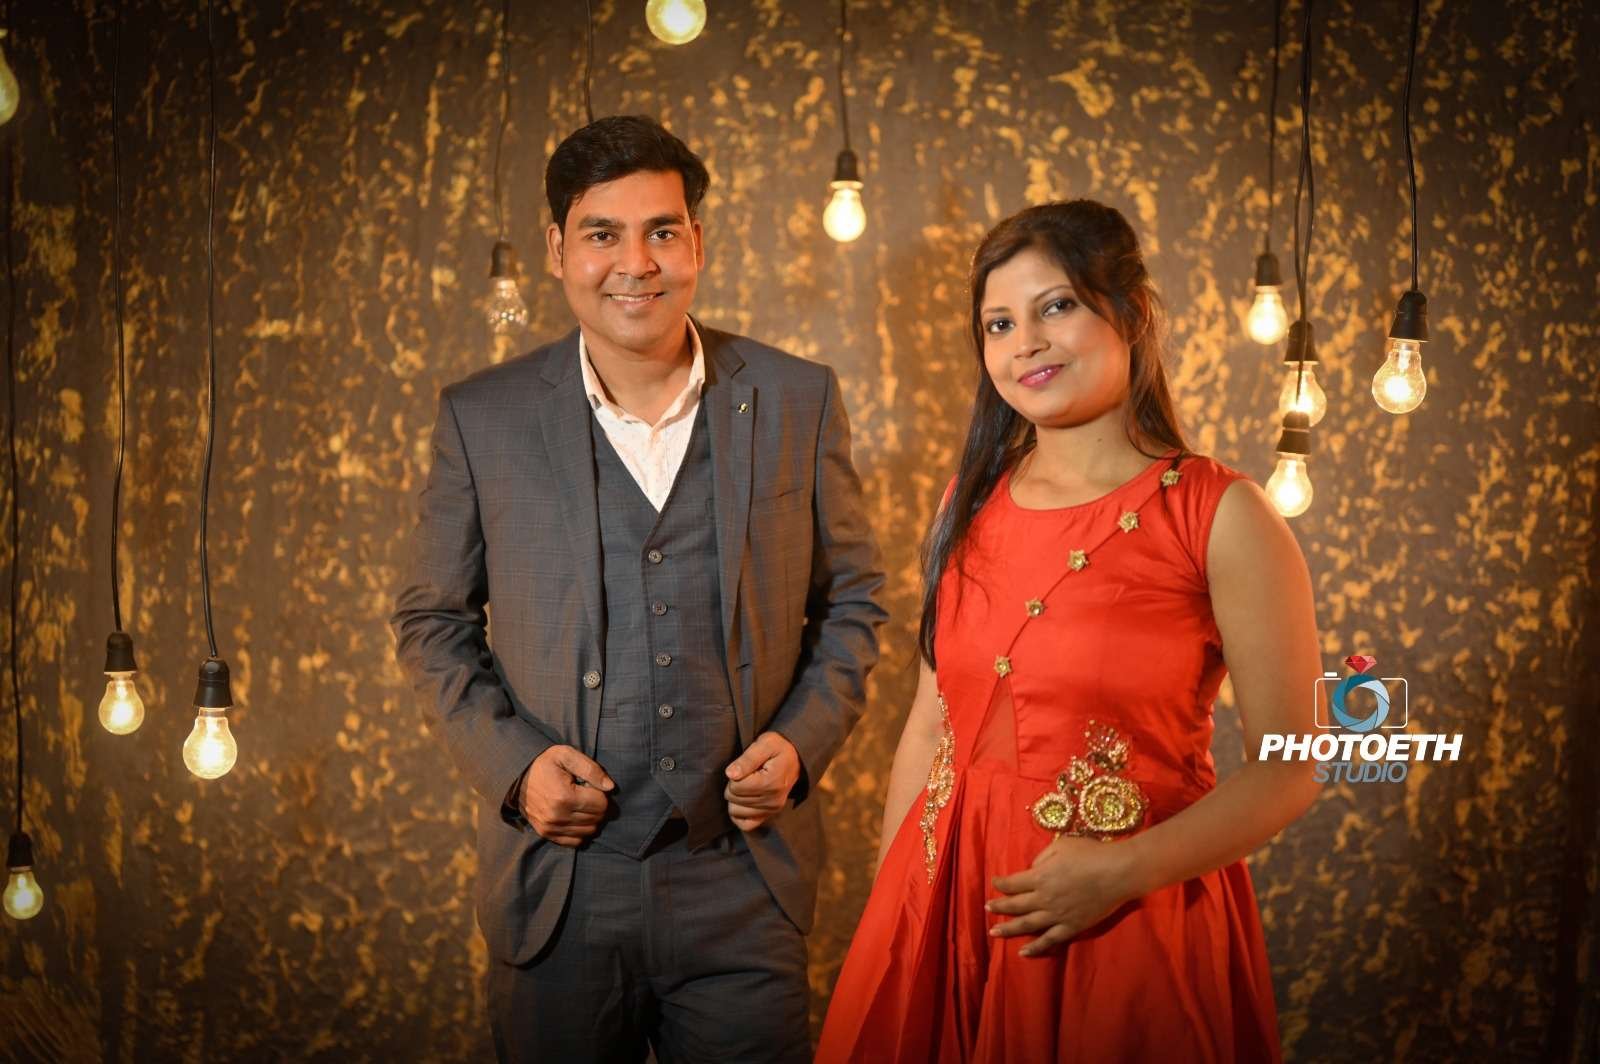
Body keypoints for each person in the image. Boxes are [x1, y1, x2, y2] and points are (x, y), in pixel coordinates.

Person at [391, 114, 887, 1063]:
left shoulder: (797, 397)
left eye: (662, 230)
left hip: (744, 883)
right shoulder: (482, 417)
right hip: (560, 886)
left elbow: (856, 599)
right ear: (557, 250)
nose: (636, 263)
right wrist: (514, 769)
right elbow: (432, 620)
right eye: (602, 234)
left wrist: (802, 742)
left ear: (696, 240)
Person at [816, 199, 1321, 1063]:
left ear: (1131, 312)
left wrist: (1121, 873)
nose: (1025, 344)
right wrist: (896, 917)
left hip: (1122, 919)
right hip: (946, 904)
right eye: (999, 324)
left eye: (1055, 307)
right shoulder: (969, 501)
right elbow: (932, 726)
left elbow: (1293, 768)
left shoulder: (1219, 515)